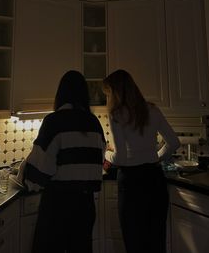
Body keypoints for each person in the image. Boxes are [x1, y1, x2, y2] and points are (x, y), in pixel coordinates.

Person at [18, 70, 106, 253]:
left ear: (61, 94)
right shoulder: (94, 123)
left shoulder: (54, 122)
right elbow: (98, 164)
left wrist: (24, 175)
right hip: (86, 207)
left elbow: (40, 171)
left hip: (58, 207)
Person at [102, 69, 180, 253]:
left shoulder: (116, 114)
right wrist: (155, 158)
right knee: (156, 242)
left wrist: (105, 154)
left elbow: (120, 157)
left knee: (135, 243)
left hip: (132, 184)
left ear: (116, 92)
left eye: (109, 94)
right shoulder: (152, 109)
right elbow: (174, 142)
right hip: (154, 179)